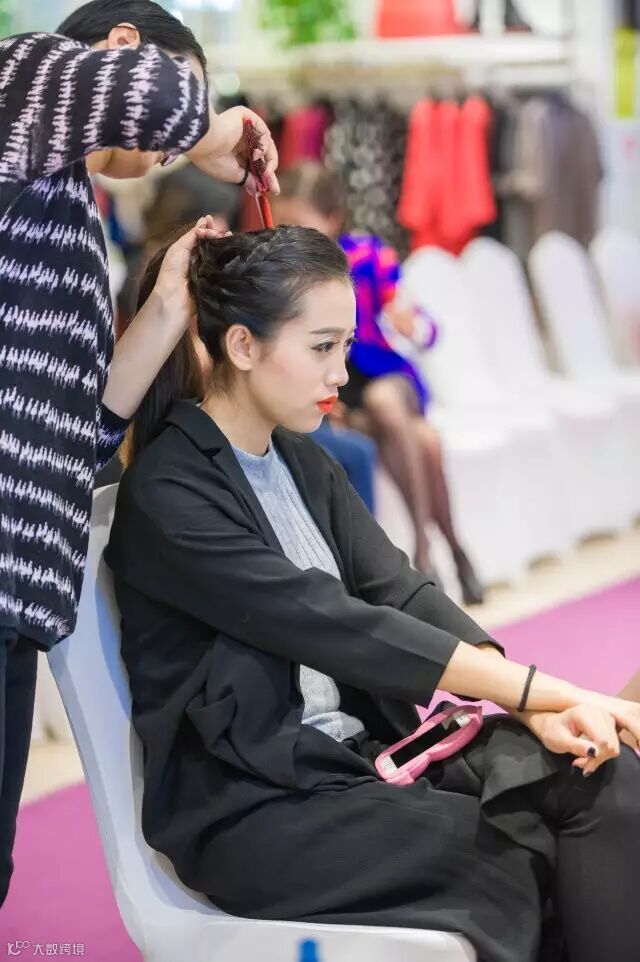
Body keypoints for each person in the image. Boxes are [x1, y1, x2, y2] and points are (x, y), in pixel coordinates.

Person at [107, 225, 640, 962]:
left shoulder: (299, 457)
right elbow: (340, 626)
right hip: (259, 807)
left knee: (605, 776)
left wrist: (536, 705)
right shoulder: (170, 490)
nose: (342, 371)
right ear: (243, 346)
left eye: (347, 345)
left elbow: (401, 592)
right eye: (322, 347)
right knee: (516, 853)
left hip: (364, 759)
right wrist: (551, 691)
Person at [0, 0, 279, 905]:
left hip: (19, 583)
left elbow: (79, 433)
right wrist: (216, 129)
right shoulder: (20, 79)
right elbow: (157, 99)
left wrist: (162, 311)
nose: (166, 150)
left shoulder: (56, 193)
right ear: (121, 46)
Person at [272, 163, 484, 605]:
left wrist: (411, 324)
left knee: (387, 403)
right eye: (283, 223)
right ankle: (455, 551)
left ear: (332, 218)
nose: (291, 235)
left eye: (301, 223)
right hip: (342, 389)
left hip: (385, 375)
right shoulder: (285, 273)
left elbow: (427, 329)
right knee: (425, 442)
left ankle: (423, 553)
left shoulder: (368, 255)